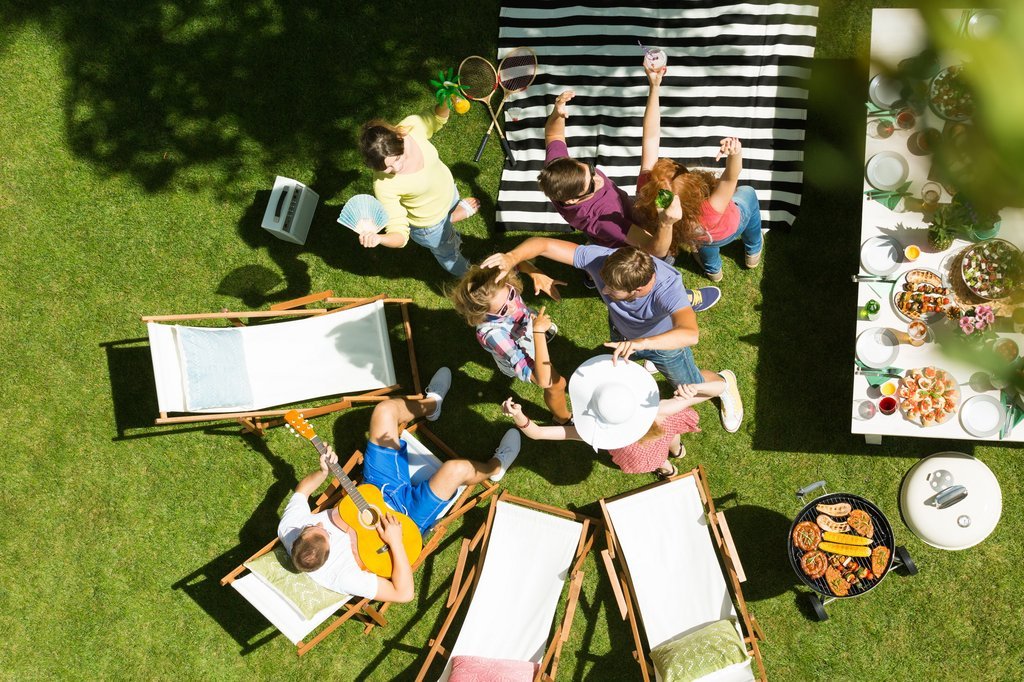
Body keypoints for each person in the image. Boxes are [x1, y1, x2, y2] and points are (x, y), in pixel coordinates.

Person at [278, 368, 521, 601]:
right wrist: (394, 540)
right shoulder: (342, 577)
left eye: (311, 527)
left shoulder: (290, 530)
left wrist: (322, 472)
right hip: (407, 519)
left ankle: (432, 405)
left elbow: (302, 491)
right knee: (455, 470)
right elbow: (404, 594)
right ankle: (496, 467)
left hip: (374, 490)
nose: (320, 522)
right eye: (323, 531)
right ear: (329, 552)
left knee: (384, 411)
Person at [481, 241, 744, 432]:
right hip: (623, 334)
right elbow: (544, 244)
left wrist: (642, 343)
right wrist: (511, 257)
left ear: (638, 289)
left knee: (689, 387)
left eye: (612, 290)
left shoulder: (667, 290)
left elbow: (690, 334)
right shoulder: (603, 260)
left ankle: (724, 383)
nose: (604, 291)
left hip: (664, 344)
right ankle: (645, 355)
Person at [536, 71, 720, 313]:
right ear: (572, 199)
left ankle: (593, 273)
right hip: (622, 240)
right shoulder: (604, 220)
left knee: (599, 247)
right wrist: (666, 224)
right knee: (655, 267)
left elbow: (553, 134)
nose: (598, 178)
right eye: (590, 185)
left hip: (603, 235)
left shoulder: (557, 172)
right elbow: (655, 250)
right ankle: (678, 298)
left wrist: (557, 113)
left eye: (590, 168)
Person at [501, 356, 715, 478]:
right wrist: (697, 388)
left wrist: (518, 415)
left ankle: (667, 469)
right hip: (664, 428)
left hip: (642, 456)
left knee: (660, 461)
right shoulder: (661, 410)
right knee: (671, 435)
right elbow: (717, 388)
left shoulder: (592, 432)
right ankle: (677, 450)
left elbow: (538, 433)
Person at [358, 100, 478, 276]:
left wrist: (447, 99)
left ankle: (450, 217)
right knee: (448, 253)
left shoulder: (410, 128)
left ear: (399, 138)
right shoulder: (383, 185)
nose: (396, 168)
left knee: (450, 213)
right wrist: (379, 238)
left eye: (397, 158)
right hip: (430, 225)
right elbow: (399, 232)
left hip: (449, 193)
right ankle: (472, 278)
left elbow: (436, 118)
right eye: (387, 168)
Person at [449, 265, 572, 424]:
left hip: (528, 329)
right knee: (556, 385)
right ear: (483, 313)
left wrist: (535, 272)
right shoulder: (492, 334)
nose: (513, 306)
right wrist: (538, 332)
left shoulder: (498, 282)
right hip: (520, 349)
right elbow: (543, 380)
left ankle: (537, 333)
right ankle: (563, 419)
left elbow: (517, 262)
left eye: (511, 294)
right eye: (503, 310)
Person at [633, 136, 763, 283]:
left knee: (705, 246)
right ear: (693, 187)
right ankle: (753, 250)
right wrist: (735, 153)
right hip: (732, 228)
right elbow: (731, 177)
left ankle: (713, 271)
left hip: (703, 240)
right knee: (748, 193)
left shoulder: (660, 218)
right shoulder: (710, 208)